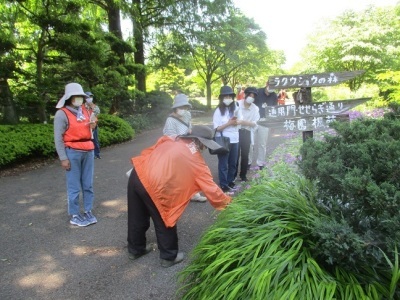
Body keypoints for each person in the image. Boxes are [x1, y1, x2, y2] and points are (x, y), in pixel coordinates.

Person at [127, 125, 231, 267]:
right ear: (200, 142)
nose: (205, 149)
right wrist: (229, 204)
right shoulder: (196, 161)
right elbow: (212, 190)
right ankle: (169, 257)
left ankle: (135, 250)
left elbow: (153, 148)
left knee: (136, 215)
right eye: (205, 145)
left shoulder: (172, 139)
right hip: (155, 185)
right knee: (165, 215)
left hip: (137, 173)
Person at [54, 83, 98, 227]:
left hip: (88, 149)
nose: (79, 99)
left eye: (81, 96)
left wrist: (93, 125)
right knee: (74, 186)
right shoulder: (62, 114)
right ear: (69, 98)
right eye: (76, 96)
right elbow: (58, 138)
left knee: (88, 184)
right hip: (72, 151)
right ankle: (74, 214)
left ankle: (87, 210)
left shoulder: (85, 110)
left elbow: (92, 122)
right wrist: (63, 158)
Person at [163, 93, 207, 202]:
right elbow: (168, 138)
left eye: (185, 107)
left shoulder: (187, 114)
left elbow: (189, 126)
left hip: (189, 146)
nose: (183, 109)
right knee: (178, 173)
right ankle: (177, 196)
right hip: (177, 149)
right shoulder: (170, 120)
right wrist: (180, 138)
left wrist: (191, 133)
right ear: (175, 107)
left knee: (192, 170)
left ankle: (194, 194)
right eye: (181, 107)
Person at [213, 85, 242, 192]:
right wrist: (229, 123)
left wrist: (236, 122)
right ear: (221, 98)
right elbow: (217, 128)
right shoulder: (218, 111)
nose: (228, 98)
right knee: (223, 163)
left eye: (230, 96)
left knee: (233, 162)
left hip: (235, 139)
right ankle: (223, 184)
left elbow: (241, 122)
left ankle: (230, 181)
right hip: (224, 140)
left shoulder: (236, 108)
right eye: (225, 96)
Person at [236, 87, 260, 181]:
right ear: (245, 95)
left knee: (245, 154)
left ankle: (243, 175)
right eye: (250, 95)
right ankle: (233, 175)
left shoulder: (255, 108)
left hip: (247, 132)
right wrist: (248, 123)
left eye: (253, 96)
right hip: (236, 132)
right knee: (235, 154)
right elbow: (235, 119)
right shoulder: (237, 104)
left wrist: (243, 122)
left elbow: (255, 123)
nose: (251, 97)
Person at [253, 82, 278, 170]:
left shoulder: (274, 96)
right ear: (266, 84)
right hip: (253, 120)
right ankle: (247, 162)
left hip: (265, 120)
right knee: (250, 142)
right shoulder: (258, 92)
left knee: (262, 143)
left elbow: (274, 110)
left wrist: (273, 124)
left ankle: (261, 163)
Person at [85, 91, 101, 159]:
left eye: (91, 97)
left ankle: (97, 154)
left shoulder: (94, 106)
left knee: (95, 140)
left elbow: (97, 113)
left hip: (94, 125)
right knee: (89, 140)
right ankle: (90, 155)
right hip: (86, 126)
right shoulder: (82, 107)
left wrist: (91, 107)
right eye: (88, 97)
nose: (90, 98)